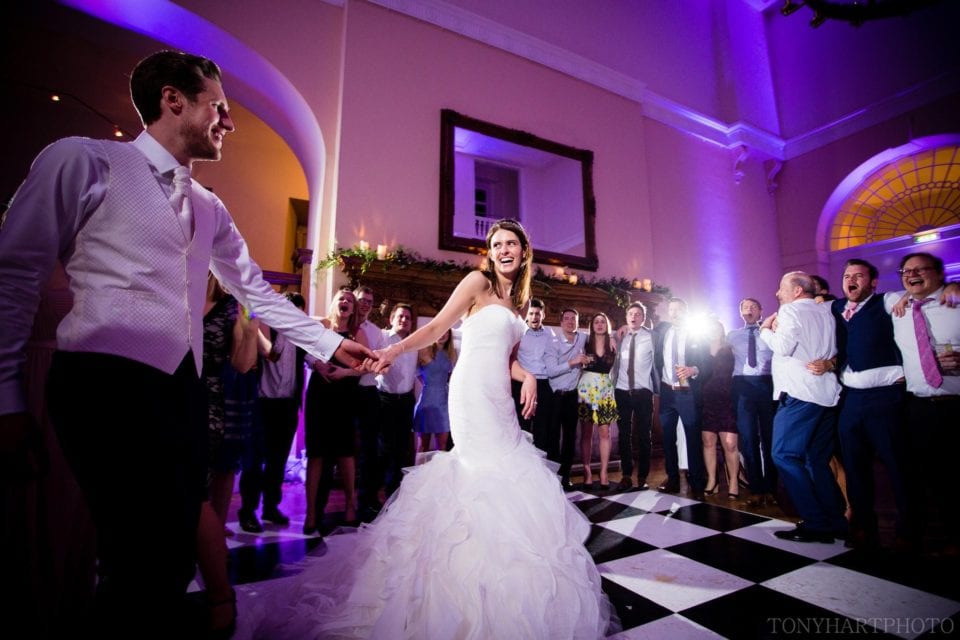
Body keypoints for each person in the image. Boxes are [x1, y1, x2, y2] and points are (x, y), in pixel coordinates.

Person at [0, 50, 372, 633]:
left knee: (173, 554)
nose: (230, 122)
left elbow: (256, 291)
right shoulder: (84, 161)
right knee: (131, 553)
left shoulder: (209, 206)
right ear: (174, 100)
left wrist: (327, 344)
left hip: (182, 392)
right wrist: (6, 399)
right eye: (219, 107)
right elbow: (13, 277)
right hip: (102, 384)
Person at [237, 219, 615, 638]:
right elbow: (436, 328)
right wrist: (394, 349)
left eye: (512, 243)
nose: (505, 250)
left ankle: (494, 581)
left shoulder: (518, 305)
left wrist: (526, 376)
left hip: (500, 397)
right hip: (471, 393)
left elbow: (506, 358)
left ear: (525, 251)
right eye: (497, 244)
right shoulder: (477, 282)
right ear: (490, 253)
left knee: (506, 476)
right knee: (479, 472)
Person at [806, 259, 909, 550]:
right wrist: (772, 319)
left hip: (886, 397)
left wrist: (952, 286)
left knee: (897, 466)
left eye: (858, 276)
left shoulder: (886, 301)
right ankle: (863, 526)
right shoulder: (836, 307)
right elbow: (806, 309)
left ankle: (907, 531)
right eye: (847, 276)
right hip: (851, 400)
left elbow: (914, 296)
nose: (851, 280)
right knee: (855, 465)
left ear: (873, 281)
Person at [761, 272, 846, 543]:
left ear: (797, 291)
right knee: (815, 460)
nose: (777, 293)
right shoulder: (825, 311)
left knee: (784, 455)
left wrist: (765, 330)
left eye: (781, 288)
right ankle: (836, 521)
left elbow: (783, 347)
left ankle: (816, 522)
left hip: (799, 393)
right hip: (826, 394)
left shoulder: (789, 311)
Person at [888, 252, 960, 554]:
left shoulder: (954, 302)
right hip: (917, 405)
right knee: (927, 475)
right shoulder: (897, 307)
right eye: (906, 271)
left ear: (941, 274)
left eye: (920, 270)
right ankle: (932, 533)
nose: (912, 275)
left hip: (955, 403)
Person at [241, 292, 308, 528]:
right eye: (292, 309)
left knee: (278, 461)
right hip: (263, 403)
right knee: (254, 459)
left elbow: (311, 358)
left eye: (300, 311)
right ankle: (248, 510)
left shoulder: (300, 337)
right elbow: (271, 353)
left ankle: (270, 507)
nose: (296, 315)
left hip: (287, 404)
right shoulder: (269, 328)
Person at [302, 289, 366, 534]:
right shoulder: (321, 326)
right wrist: (316, 364)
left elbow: (365, 367)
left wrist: (344, 373)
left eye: (349, 300)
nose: (345, 302)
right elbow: (305, 349)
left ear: (353, 308)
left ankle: (350, 505)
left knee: (345, 452)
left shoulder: (357, 333)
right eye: (342, 298)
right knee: (316, 453)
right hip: (320, 393)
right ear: (334, 303)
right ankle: (311, 513)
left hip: (345, 396)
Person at [653, 298, 713, 499]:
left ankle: (697, 482)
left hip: (688, 393)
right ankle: (672, 479)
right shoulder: (662, 332)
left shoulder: (696, 334)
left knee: (692, 438)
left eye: (678, 309)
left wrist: (693, 369)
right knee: (668, 438)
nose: (674, 313)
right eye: (671, 310)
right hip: (667, 393)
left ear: (685, 312)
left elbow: (707, 364)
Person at [728, 298, 778, 506]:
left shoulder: (771, 332)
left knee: (770, 439)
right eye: (744, 307)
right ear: (740, 312)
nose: (748, 309)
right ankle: (756, 487)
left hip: (768, 385)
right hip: (742, 387)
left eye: (753, 306)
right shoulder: (732, 336)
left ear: (761, 311)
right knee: (748, 439)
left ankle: (772, 487)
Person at [610, 302, 656, 492]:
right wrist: (614, 335)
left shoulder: (652, 337)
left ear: (643, 318)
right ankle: (626, 475)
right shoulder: (620, 336)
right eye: (631, 313)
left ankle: (643, 476)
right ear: (626, 316)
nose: (634, 317)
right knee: (624, 435)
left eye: (638, 314)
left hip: (643, 392)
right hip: (622, 391)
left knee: (645, 436)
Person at [545, 307, 589, 490]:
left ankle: (565, 476)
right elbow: (551, 371)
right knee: (553, 438)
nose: (571, 322)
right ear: (561, 322)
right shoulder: (552, 342)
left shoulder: (582, 338)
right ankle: (552, 478)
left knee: (571, 438)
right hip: (555, 396)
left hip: (572, 396)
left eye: (574, 319)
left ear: (578, 323)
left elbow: (603, 335)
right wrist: (573, 362)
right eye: (567, 318)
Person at [377, 303, 418, 497]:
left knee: (401, 449)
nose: (404, 320)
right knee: (383, 448)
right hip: (384, 400)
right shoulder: (382, 337)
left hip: (406, 401)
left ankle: (394, 491)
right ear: (391, 319)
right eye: (400, 316)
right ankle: (378, 490)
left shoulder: (415, 343)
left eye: (408, 318)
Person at [353, 285, 385, 521]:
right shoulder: (340, 325)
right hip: (341, 392)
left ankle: (367, 499)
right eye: (362, 300)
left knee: (370, 449)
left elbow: (376, 363)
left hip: (367, 391)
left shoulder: (376, 332)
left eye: (369, 302)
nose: (365, 304)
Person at [577, 313, 619, 491]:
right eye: (596, 322)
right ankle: (587, 471)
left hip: (605, 390)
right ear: (591, 325)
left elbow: (626, 331)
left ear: (607, 325)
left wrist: (617, 336)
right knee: (586, 433)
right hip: (586, 389)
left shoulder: (613, 342)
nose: (600, 324)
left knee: (605, 433)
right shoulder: (584, 342)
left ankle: (603, 472)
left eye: (603, 322)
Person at [699, 318, 740, 500]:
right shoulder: (700, 349)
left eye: (717, 327)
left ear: (722, 330)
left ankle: (733, 482)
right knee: (708, 441)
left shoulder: (731, 348)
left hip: (727, 399)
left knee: (730, 444)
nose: (713, 330)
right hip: (706, 400)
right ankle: (712, 480)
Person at [512, 298, 554, 450]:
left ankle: (540, 468)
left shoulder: (550, 334)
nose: (534, 317)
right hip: (523, 384)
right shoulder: (518, 332)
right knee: (522, 426)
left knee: (542, 428)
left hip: (543, 384)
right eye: (531, 313)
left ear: (543, 315)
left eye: (538, 314)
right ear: (527, 315)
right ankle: (522, 466)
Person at [413, 329, 456, 456]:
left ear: (449, 335)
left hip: (443, 403)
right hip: (426, 402)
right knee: (422, 447)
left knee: (442, 447)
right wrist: (430, 385)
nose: (442, 334)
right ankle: (419, 476)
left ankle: (438, 476)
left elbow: (449, 377)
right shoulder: (423, 350)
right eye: (441, 331)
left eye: (446, 332)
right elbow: (415, 372)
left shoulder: (451, 354)